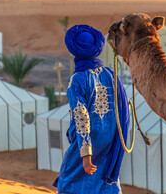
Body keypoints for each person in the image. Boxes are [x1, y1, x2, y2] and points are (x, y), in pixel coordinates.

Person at [53, 24, 130, 194]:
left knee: (68, 180)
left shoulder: (78, 79)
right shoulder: (109, 74)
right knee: (104, 178)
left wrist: (85, 152)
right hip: (109, 138)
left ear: (75, 51)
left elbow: (81, 116)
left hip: (88, 139)